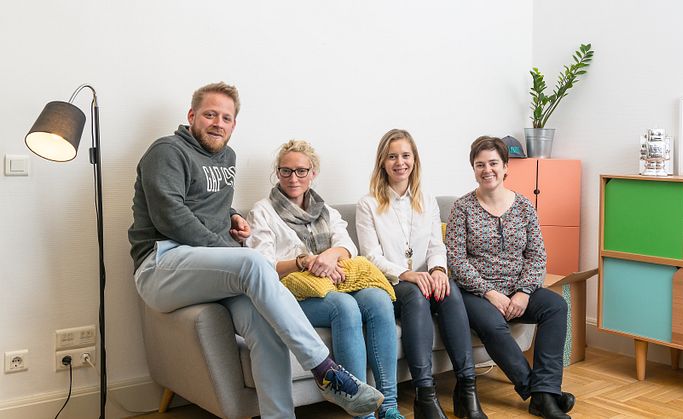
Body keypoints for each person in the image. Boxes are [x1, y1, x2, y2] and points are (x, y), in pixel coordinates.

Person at [127, 82, 382, 419]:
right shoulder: (167, 151)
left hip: (205, 269)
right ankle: (325, 370)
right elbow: (171, 216)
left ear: (234, 124)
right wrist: (230, 252)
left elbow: (208, 202)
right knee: (251, 261)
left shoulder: (226, 157)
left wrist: (231, 214)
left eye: (227, 118)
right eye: (210, 114)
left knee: (264, 325)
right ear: (192, 116)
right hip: (162, 264)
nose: (219, 123)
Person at [247, 139, 404, 419]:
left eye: (301, 171)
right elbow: (262, 265)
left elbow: (348, 247)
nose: (293, 178)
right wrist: (302, 262)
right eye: (285, 171)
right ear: (277, 173)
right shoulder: (263, 211)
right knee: (343, 306)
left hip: (335, 280)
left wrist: (329, 257)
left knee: (380, 299)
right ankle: (363, 412)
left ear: (313, 173)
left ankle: (389, 405)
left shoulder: (325, 210)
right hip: (291, 292)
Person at [356, 129, 487, 419]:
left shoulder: (426, 200)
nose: (399, 162)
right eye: (392, 156)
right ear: (382, 162)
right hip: (390, 285)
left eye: (405, 155)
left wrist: (438, 270)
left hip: (424, 280)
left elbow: (435, 245)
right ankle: (424, 395)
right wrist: (407, 274)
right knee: (416, 296)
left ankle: (467, 389)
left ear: (414, 160)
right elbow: (371, 257)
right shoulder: (368, 204)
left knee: (449, 289)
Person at [445, 136, 576, 419]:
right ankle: (540, 394)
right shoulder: (461, 208)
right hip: (476, 293)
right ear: (473, 169)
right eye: (480, 165)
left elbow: (537, 255)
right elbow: (455, 261)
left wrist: (524, 291)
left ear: (506, 167)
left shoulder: (525, 207)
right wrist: (490, 293)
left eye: (493, 163)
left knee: (557, 306)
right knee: (493, 324)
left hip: (518, 290)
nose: (487, 170)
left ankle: (546, 391)